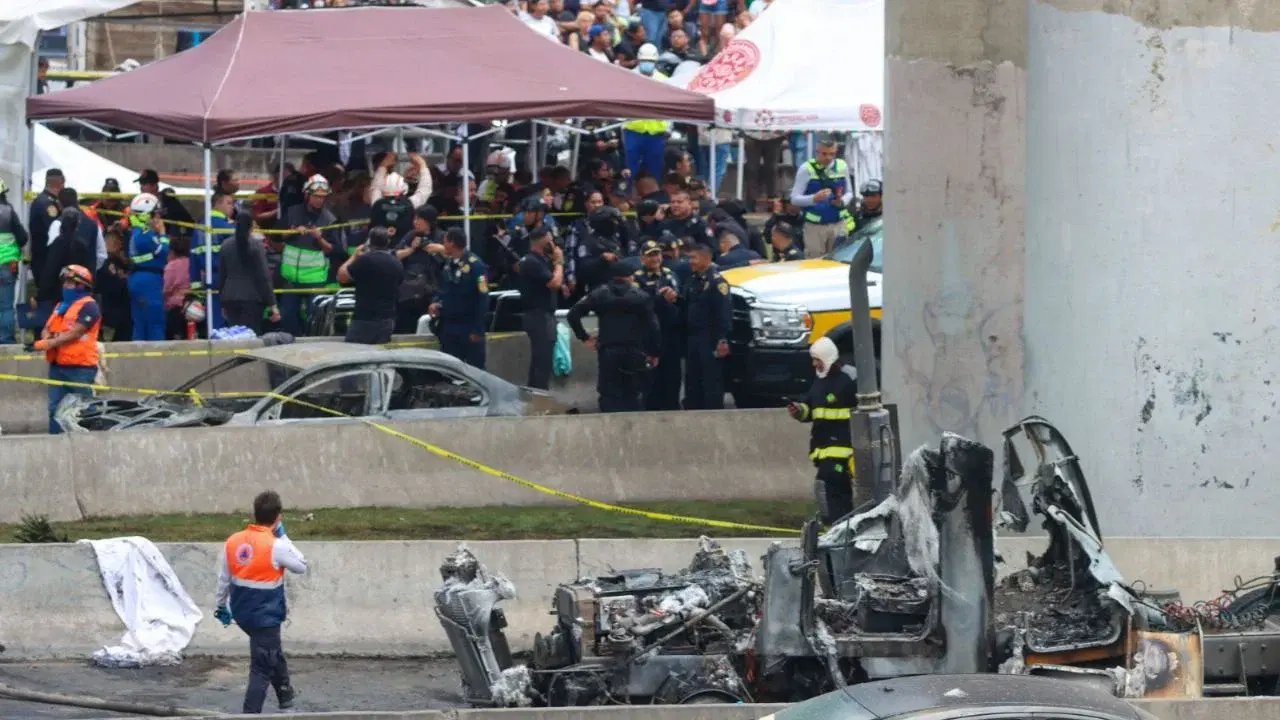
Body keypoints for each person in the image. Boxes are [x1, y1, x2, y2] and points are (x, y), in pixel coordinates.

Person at [213, 490, 307, 715]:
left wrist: (220, 605)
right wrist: (283, 536)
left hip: (242, 614)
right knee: (261, 668)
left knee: (271, 650)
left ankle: (285, 697)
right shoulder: (277, 545)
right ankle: (250, 715)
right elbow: (301, 565)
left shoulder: (233, 541)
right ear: (278, 517)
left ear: (255, 514)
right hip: (265, 616)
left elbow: (224, 578)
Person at [567, 261, 660, 412]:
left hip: (608, 350)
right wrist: (654, 352)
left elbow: (573, 314)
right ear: (630, 277)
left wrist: (584, 337)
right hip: (635, 350)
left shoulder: (599, 294)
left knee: (609, 394)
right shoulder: (641, 296)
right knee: (633, 393)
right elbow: (654, 327)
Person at [787, 337, 857, 523]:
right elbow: (810, 408)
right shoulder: (819, 382)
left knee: (829, 487)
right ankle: (839, 528)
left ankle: (839, 527)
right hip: (824, 452)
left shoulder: (848, 381)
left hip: (842, 454)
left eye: (817, 360)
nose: (814, 364)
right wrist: (799, 410)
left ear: (828, 358)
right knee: (831, 490)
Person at [25, 265, 101, 434]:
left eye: (70, 283)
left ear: (81, 285)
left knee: (85, 409)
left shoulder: (89, 306)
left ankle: (92, 442)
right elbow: (48, 328)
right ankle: (56, 442)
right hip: (58, 365)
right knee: (55, 408)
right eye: (65, 282)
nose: (65, 286)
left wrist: (48, 344)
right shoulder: (61, 306)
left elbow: (75, 333)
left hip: (80, 368)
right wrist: (45, 338)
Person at [280, 175, 345, 336]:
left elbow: (334, 250)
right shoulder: (292, 212)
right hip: (291, 278)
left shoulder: (330, 220)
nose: (319, 200)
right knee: (287, 316)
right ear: (307, 194)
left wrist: (319, 238)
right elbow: (276, 237)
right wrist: (292, 232)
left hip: (315, 279)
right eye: (316, 196)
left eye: (323, 197)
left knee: (315, 318)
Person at [632, 239, 682, 410]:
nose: (655, 259)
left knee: (672, 375)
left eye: (657, 254)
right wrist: (660, 298)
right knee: (650, 379)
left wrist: (674, 297)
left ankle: (672, 407)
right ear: (643, 258)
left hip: (670, 333)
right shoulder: (637, 278)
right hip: (648, 335)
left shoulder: (670, 275)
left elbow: (679, 300)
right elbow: (640, 305)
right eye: (651, 255)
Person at [429, 228, 490, 369]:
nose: (443, 244)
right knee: (450, 369)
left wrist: (478, 329)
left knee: (475, 369)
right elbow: (444, 289)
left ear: (452, 243)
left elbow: (483, 298)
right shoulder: (448, 264)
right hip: (449, 325)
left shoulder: (475, 265)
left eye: (445, 241)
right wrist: (435, 302)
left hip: (469, 326)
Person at [680, 243, 730, 409]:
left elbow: (723, 313)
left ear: (706, 259)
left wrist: (722, 339)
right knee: (692, 378)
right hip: (692, 338)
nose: (690, 261)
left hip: (710, 338)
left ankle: (712, 411)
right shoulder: (693, 279)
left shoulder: (717, 282)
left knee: (711, 380)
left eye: (694, 258)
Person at [516, 227, 564, 389]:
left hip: (543, 315)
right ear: (542, 241)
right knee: (542, 361)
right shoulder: (532, 261)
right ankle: (539, 396)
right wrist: (559, 263)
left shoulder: (540, 260)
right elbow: (554, 283)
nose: (553, 243)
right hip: (539, 316)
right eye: (550, 240)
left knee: (541, 360)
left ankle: (535, 393)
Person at [790, 136, 855, 258]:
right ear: (817, 152)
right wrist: (813, 198)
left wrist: (842, 201)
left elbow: (850, 192)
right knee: (815, 262)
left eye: (832, 154)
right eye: (824, 154)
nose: (828, 158)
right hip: (815, 227)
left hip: (838, 224)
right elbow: (794, 198)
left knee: (838, 260)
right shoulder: (806, 169)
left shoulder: (842, 166)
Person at [337, 227, 403, 345]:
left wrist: (354, 256)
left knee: (353, 350)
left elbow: (342, 276)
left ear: (369, 241)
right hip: (387, 319)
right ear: (387, 242)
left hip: (364, 318)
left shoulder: (365, 260)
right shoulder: (396, 263)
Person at [219, 213, 279, 335]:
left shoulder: (225, 245)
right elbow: (264, 276)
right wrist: (272, 304)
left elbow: (222, 275)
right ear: (251, 227)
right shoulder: (256, 246)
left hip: (230, 296)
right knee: (250, 335)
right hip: (252, 297)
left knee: (234, 336)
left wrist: (222, 301)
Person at [125, 193, 171, 341]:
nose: (159, 218)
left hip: (139, 278)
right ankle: (157, 354)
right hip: (149, 279)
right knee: (154, 320)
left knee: (140, 322)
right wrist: (163, 234)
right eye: (156, 214)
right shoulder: (145, 235)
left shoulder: (137, 233)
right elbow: (163, 251)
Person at [191, 192, 236, 333]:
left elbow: (193, 256)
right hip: (227, 278)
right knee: (231, 319)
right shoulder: (228, 228)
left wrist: (196, 284)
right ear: (217, 204)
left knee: (214, 317)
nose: (232, 207)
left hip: (207, 277)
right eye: (229, 203)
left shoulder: (200, 226)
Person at [396, 205, 445, 333]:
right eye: (414, 219)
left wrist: (439, 249)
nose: (415, 222)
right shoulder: (410, 235)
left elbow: (454, 256)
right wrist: (411, 249)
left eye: (419, 219)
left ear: (428, 221)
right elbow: (395, 255)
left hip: (432, 289)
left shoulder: (441, 236)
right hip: (409, 290)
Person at [0, 178, 30, 343]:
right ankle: (5, 340)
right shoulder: (8, 211)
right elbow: (23, 238)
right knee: (5, 306)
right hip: (7, 264)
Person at [28, 169, 65, 289]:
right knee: (48, 295)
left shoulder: (46, 200)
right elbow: (55, 230)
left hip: (44, 258)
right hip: (46, 259)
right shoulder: (47, 203)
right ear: (59, 182)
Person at [163, 236, 192, 339]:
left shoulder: (171, 266)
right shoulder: (192, 263)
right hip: (191, 305)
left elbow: (166, 288)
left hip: (175, 308)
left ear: (172, 251)